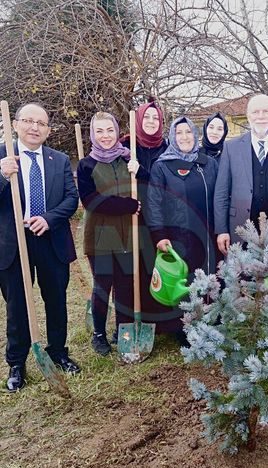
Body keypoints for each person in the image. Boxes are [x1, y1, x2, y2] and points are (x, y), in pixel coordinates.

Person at [0, 103, 80, 393]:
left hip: (51, 239)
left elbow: (71, 199)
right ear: (16, 124)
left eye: (41, 123)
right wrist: (2, 175)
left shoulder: (59, 160)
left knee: (56, 300)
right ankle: (16, 363)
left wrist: (48, 219)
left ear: (48, 130)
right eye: (29, 121)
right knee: (17, 305)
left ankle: (58, 352)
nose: (35, 127)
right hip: (13, 243)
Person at [146, 116, 220, 344]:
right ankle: (185, 328)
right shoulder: (162, 166)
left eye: (188, 132)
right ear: (172, 137)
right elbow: (154, 202)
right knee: (184, 280)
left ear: (196, 135)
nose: (184, 137)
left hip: (208, 234)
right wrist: (159, 235)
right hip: (178, 235)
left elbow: (220, 196)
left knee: (208, 276)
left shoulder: (208, 163)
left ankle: (211, 322)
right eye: (179, 133)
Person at [76, 112, 141, 356]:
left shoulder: (127, 159)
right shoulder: (86, 165)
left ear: (117, 131)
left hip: (128, 235)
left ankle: (123, 332)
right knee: (103, 286)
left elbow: (145, 188)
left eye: (110, 130)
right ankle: (99, 334)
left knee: (125, 285)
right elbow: (91, 201)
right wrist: (127, 205)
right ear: (93, 134)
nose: (105, 136)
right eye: (100, 131)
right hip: (100, 236)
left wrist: (139, 170)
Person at [214, 94, 268, 255]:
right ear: (248, 116)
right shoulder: (231, 147)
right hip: (240, 230)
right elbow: (221, 192)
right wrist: (221, 229)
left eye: (266, 111)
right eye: (255, 112)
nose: (260, 116)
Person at [121, 100, 178, 337]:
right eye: (147, 117)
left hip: (160, 219)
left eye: (156, 118)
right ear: (138, 120)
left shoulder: (167, 148)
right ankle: (136, 320)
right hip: (131, 217)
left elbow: (166, 186)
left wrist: (142, 173)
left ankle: (163, 323)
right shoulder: (126, 146)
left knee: (159, 268)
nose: (151, 122)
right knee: (135, 270)